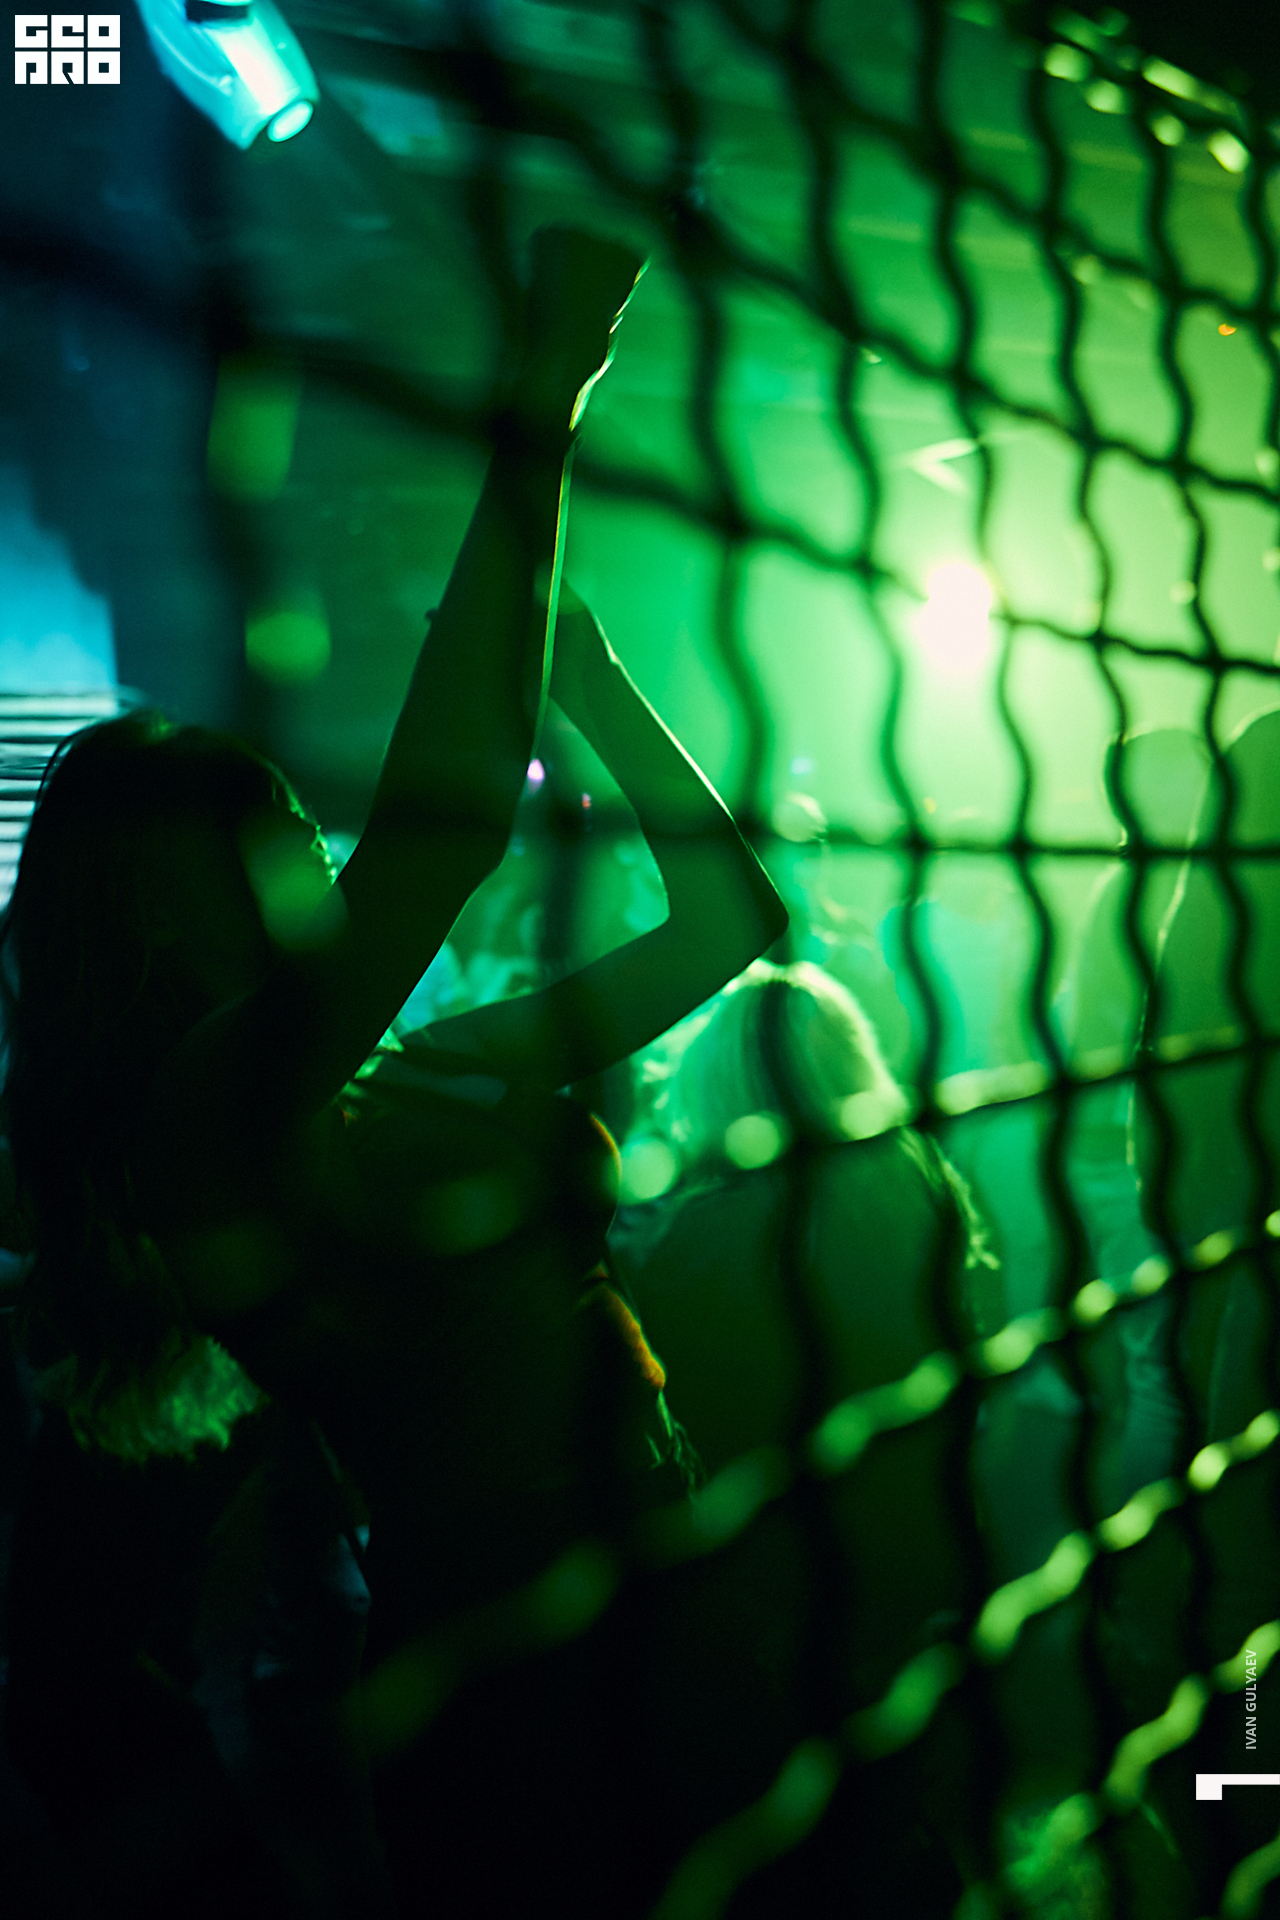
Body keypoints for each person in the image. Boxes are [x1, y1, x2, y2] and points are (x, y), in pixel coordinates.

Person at [1, 227, 789, 1917]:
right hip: (521, 1671)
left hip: (658, 1577)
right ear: (157, 913)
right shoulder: (195, 1130)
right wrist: (541, 402)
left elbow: (731, 921)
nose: (313, 859)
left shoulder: (424, 1071)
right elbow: (440, 837)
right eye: (272, 839)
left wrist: (594, 686)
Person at [611, 960, 1000, 1913]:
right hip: (920, 1530)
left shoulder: (700, 1237)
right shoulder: (918, 1180)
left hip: (784, 1573)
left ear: (713, 1085)